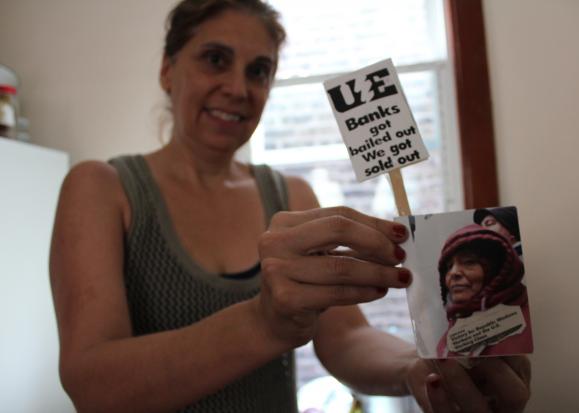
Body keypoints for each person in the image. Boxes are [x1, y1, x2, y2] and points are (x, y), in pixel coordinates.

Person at [49, 1, 531, 412]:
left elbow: (344, 339)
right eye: (215, 59)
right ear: (167, 69)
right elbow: (92, 383)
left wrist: (417, 368)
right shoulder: (103, 188)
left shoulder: (292, 197)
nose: (238, 88)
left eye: (258, 71)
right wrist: (263, 322)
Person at [436, 224, 533, 358]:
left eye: (469, 262)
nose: (453, 273)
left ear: (495, 270)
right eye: (448, 267)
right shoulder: (455, 327)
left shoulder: (530, 322)